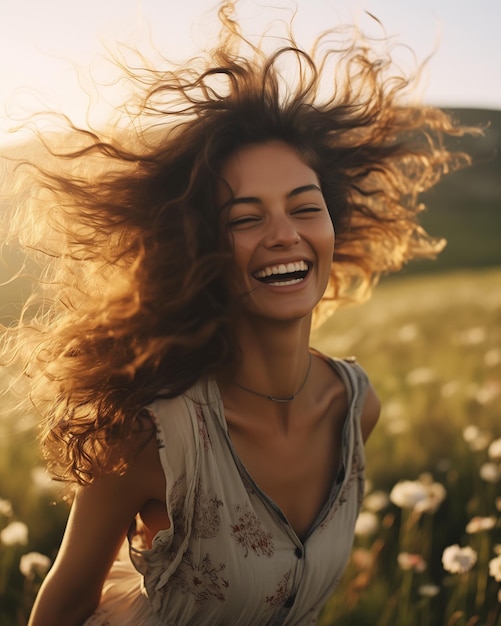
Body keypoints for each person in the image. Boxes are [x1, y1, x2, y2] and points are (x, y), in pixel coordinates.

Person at [0, 2, 474, 625]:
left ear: (333, 225)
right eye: (246, 219)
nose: (284, 235)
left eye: (305, 208)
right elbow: (61, 607)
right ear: (204, 249)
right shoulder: (152, 434)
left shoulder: (357, 407)